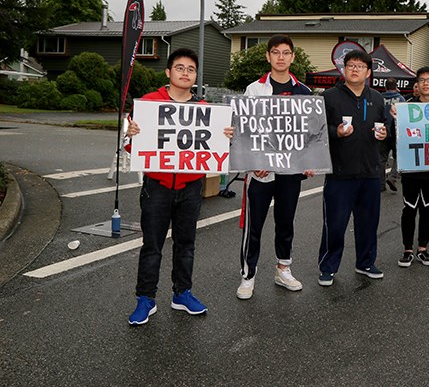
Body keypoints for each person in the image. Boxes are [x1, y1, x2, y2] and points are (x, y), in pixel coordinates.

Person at [126, 48, 232, 325]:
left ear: (196, 76)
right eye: (180, 68)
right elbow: (131, 147)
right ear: (169, 72)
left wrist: (225, 136)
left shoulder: (205, 110)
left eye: (191, 70)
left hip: (191, 187)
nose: (185, 73)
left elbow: (217, 147)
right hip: (157, 186)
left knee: (186, 244)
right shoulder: (149, 104)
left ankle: (182, 293)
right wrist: (131, 133)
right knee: (152, 245)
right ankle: (145, 298)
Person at [236, 34, 314, 300]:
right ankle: (248, 275)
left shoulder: (304, 92)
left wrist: (310, 160)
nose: (281, 57)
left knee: (286, 222)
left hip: (290, 172)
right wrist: (254, 162)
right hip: (260, 172)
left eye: (286, 53)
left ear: (293, 57)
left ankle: (283, 269)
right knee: (254, 225)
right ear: (268, 56)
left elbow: (309, 134)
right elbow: (244, 131)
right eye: (276, 52)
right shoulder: (254, 90)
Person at [318, 50, 388, 286]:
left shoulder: (378, 98)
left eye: (360, 66)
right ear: (344, 70)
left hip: (370, 172)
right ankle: (328, 267)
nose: (355, 69)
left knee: (368, 223)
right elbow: (316, 131)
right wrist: (335, 132)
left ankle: (366, 262)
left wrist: (385, 133)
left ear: (368, 72)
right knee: (335, 225)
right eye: (350, 65)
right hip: (340, 173)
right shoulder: (329, 97)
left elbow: (387, 130)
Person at [397, 67, 429, 267]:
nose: (426, 83)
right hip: (411, 167)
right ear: (417, 85)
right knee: (409, 208)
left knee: (428, 207)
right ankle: (407, 249)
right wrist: (393, 118)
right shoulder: (406, 108)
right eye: (422, 80)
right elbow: (396, 134)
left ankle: (423, 249)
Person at [380, 78, 405, 193]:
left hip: (383, 130)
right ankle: (392, 177)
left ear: (385, 87)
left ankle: (380, 184)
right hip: (396, 131)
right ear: (396, 86)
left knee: (381, 158)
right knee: (399, 157)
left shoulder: (380, 98)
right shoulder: (400, 99)